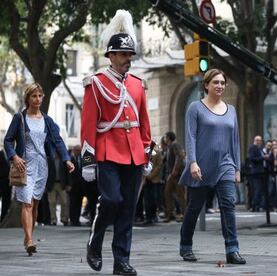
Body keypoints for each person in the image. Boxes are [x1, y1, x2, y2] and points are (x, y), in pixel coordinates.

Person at [80, 10, 152, 276]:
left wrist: (147, 153)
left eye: (130, 55)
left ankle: (121, 260)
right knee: (110, 200)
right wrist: (88, 162)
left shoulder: (137, 84)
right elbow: (88, 126)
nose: (127, 60)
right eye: (122, 55)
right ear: (111, 56)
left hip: (134, 153)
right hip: (108, 151)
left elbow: (144, 122)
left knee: (128, 208)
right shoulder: (96, 85)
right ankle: (94, 241)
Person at [178, 68, 246, 265]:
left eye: (222, 83)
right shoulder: (195, 108)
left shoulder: (231, 110)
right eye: (215, 82)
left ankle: (232, 249)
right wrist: (192, 162)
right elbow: (189, 137)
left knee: (228, 206)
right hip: (200, 166)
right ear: (206, 85)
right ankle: (185, 246)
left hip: (225, 165)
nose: (219, 86)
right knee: (194, 208)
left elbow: (235, 140)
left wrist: (237, 167)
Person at [3, 83, 74, 255]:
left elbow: (58, 141)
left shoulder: (48, 121)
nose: (37, 99)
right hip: (24, 165)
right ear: (27, 98)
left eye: (40, 96)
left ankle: (29, 237)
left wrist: (66, 160)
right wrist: (15, 156)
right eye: (34, 96)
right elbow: (7, 141)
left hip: (42, 166)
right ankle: (29, 240)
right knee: (27, 203)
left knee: (34, 203)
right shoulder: (19, 118)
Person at [163, 131, 186, 222]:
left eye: (165, 137)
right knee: (167, 193)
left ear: (168, 138)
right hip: (171, 175)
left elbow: (179, 157)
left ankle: (185, 214)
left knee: (181, 195)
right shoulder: (169, 147)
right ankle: (170, 214)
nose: (164, 139)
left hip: (176, 175)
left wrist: (175, 171)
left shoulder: (175, 145)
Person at [247, 136, 265, 212]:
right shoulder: (252, 148)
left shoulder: (260, 149)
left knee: (260, 190)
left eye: (260, 140)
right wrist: (263, 158)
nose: (259, 142)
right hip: (256, 172)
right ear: (255, 140)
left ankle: (259, 205)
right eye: (257, 140)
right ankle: (255, 206)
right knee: (256, 189)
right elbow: (252, 158)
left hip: (262, 172)